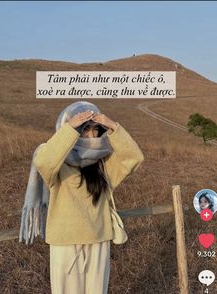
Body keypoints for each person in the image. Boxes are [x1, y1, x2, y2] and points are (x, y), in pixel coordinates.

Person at [34, 101, 144, 294]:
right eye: (85, 130)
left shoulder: (104, 165)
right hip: (65, 244)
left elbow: (134, 158)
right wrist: (69, 129)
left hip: (98, 240)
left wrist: (114, 127)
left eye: (95, 131)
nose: (91, 136)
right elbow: (43, 162)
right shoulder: (56, 162)